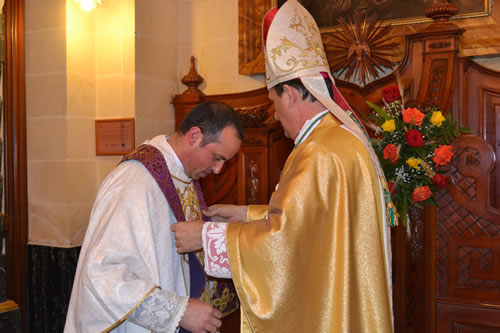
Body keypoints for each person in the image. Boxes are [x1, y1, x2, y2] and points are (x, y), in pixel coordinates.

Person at [172, 0, 395, 332]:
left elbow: (285, 247)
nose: (275, 114)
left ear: (289, 94)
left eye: (275, 102)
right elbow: (311, 225)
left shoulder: (318, 153)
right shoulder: (338, 141)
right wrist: (245, 214)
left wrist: (205, 236)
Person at [64, 101, 243, 333]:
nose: (218, 170)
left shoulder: (182, 176)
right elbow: (101, 274)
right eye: (217, 158)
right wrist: (178, 311)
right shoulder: (135, 180)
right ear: (195, 136)